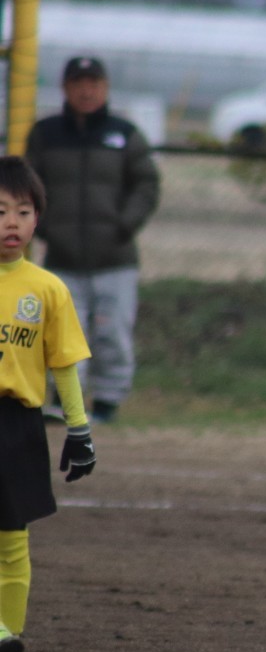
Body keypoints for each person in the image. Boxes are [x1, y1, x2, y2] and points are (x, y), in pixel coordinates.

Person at [25, 55, 161, 424]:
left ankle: (107, 402)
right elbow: (28, 185)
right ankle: (64, 401)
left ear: (105, 88)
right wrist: (45, 226)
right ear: (65, 88)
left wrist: (125, 223)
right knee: (63, 334)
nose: (86, 91)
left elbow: (147, 184)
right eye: (78, 83)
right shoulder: (46, 134)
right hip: (62, 258)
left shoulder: (125, 134)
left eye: (94, 84)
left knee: (112, 332)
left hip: (115, 257)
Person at [0, 156, 96, 652]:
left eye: (23, 210)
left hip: (17, 425)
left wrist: (78, 429)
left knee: (13, 540)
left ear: (38, 218)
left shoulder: (47, 289)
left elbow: (62, 365)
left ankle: (8, 643)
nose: (11, 222)